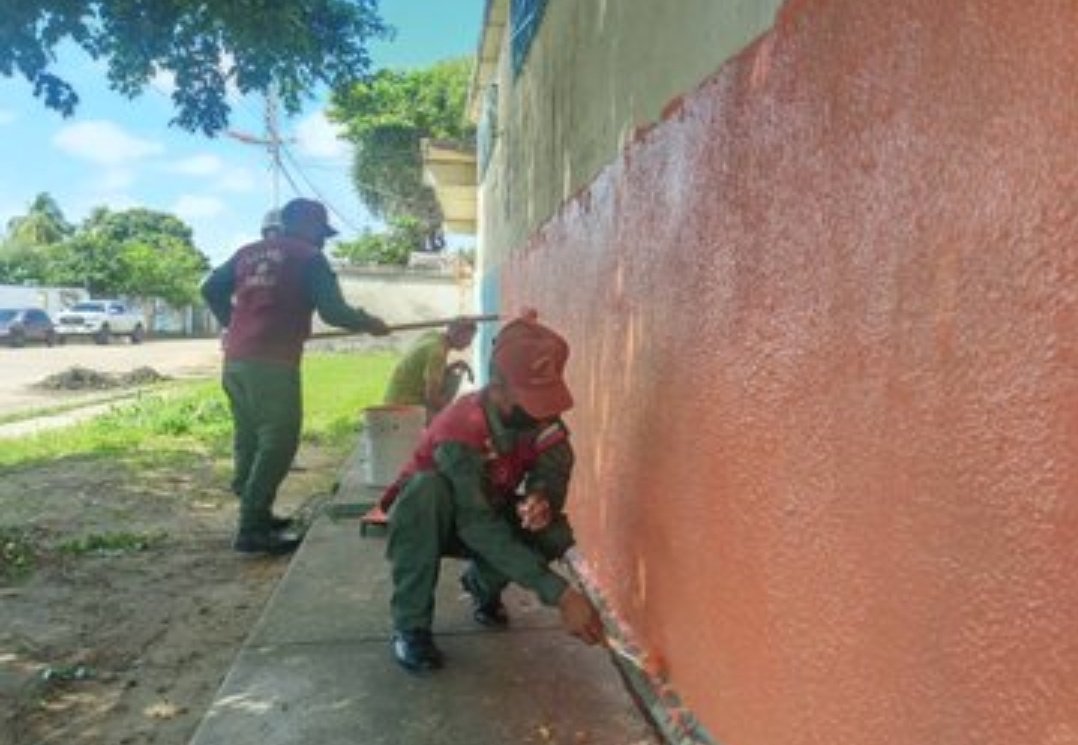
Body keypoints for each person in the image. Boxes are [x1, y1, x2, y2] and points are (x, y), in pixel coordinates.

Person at [383, 314, 604, 672]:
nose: (544, 413)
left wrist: (540, 499)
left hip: (485, 507)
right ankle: (410, 627)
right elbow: (476, 524)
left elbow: (551, 475)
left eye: (548, 398)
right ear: (498, 390)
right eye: (532, 400)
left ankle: (482, 588)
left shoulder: (543, 423)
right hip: (436, 517)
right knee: (427, 490)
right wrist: (561, 594)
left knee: (553, 532)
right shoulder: (461, 426)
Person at [201, 198, 390, 555]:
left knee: (250, 435)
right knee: (279, 441)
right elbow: (333, 311)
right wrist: (369, 323)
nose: (323, 240)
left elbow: (209, 289)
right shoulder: (308, 258)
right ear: (306, 225)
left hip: (237, 361)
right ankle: (252, 528)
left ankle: (254, 508)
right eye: (321, 232)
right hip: (272, 365)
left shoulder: (247, 252)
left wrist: (237, 324)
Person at [382, 318, 477, 419]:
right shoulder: (438, 353)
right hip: (404, 407)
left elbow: (424, 371)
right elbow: (432, 399)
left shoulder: (432, 336)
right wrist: (455, 410)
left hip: (392, 399)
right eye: (468, 338)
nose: (469, 344)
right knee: (451, 424)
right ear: (457, 334)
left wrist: (448, 369)